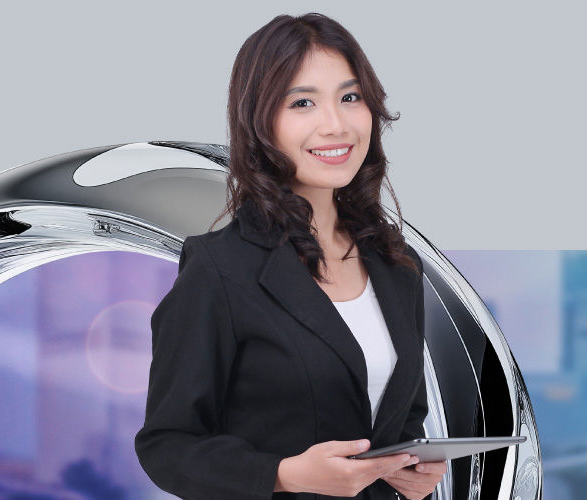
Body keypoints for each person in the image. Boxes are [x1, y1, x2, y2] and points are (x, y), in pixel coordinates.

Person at [135, 13, 451, 500]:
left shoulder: (396, 263)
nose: (336, 124)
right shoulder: (220, 269)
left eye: (350, 97)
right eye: (303, 102)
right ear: (261, 122)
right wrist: (284, 474)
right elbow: (166, 446)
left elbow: (401, 420)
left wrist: (411, 469)